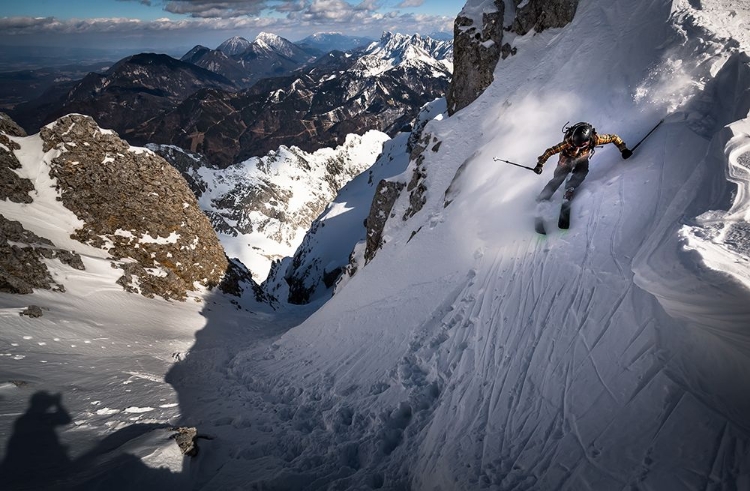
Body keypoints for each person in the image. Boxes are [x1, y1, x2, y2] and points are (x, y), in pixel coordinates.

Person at [534, 122, 632, 201]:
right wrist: (540, 164)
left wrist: (623, 149)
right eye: (575, 144)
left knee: (582, 172)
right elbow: (550, 151)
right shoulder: (568, 142)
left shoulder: (595, 139)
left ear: (587, 141)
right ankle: (543, 197)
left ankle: (570, 187)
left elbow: (614, 138)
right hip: (566, 158)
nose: (577, 147)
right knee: (558, 178)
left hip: (582, 158)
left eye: (580, 145)